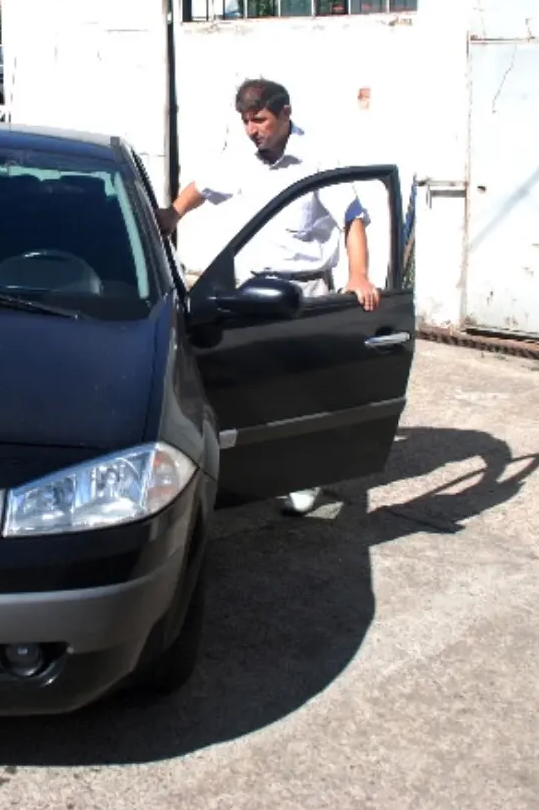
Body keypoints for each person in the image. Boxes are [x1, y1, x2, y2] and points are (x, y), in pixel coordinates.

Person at [156, 78, 380, 516]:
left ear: (284, 114)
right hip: (255, 291)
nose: (251, 130)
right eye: (245, 121)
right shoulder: (242, 157)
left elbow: (353, 218)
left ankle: (304, 479)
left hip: (305, 292)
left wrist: (358, 275)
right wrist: (173, 214)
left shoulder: (316, 158)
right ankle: (258, 468)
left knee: (303, 390)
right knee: (256, 384)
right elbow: (204, 186)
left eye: (259, 120)